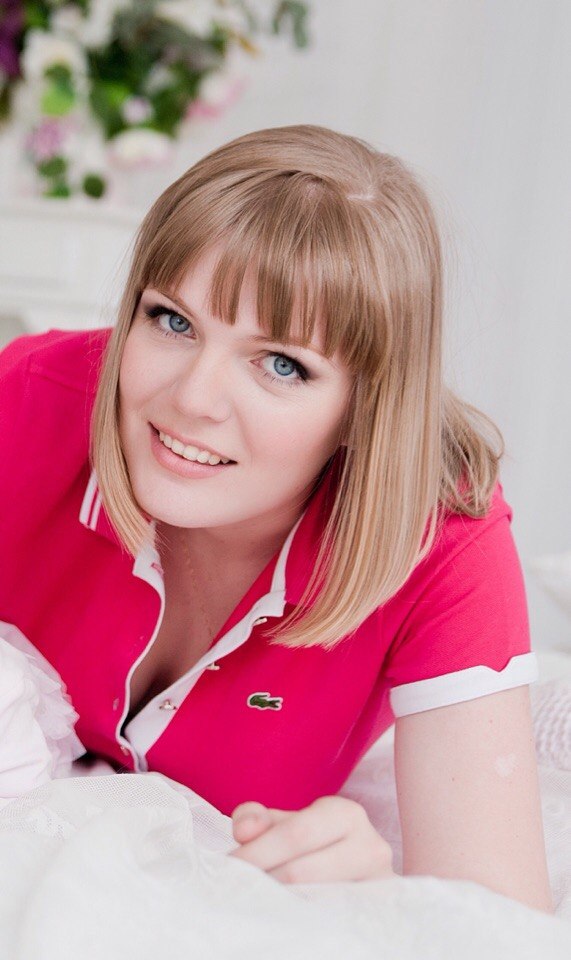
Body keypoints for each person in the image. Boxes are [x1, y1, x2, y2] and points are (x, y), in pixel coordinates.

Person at [0, 124, 553, 912]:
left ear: (367, 407)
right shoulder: (29, 398)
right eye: (172, 321)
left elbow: (495, 920)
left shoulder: (441, 539)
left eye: (282, 364)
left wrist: (374, 893)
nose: (192, 399)